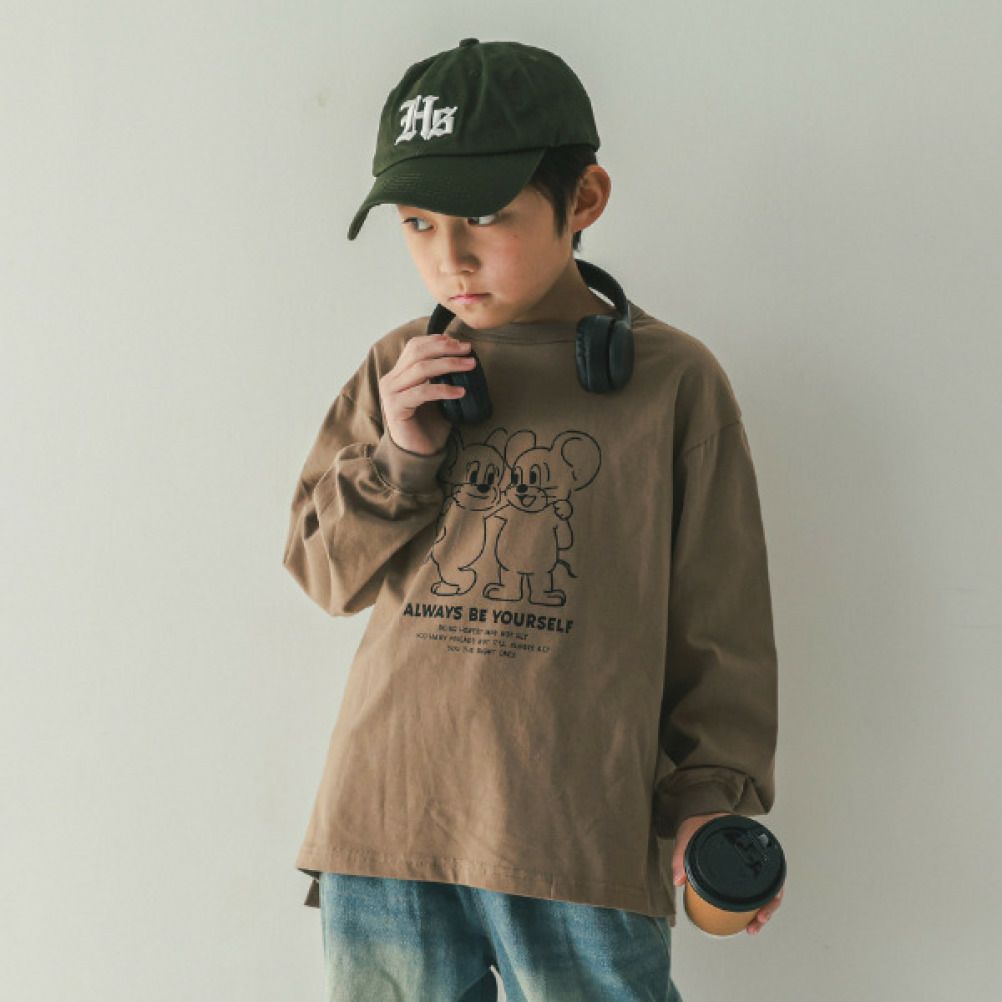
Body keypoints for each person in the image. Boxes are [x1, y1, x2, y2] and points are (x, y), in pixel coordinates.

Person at [282, 37, 783, 1002]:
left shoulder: (673, 383)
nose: (448, 258)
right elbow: (322, 574)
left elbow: (722, 628)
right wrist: (402, 454)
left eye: (483, 216)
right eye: (417, 222)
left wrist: (708, 801)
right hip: (385, 826)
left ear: (583, 199)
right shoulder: (400, 367)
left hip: (578, 839)